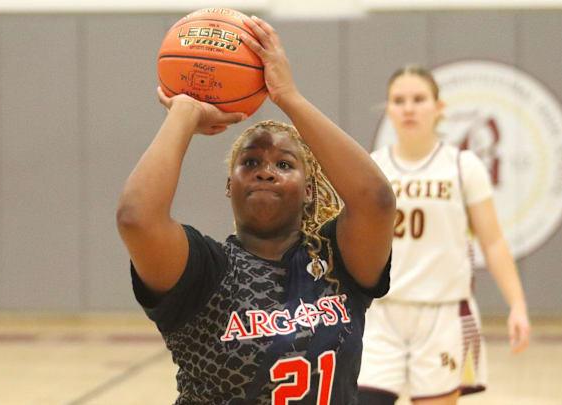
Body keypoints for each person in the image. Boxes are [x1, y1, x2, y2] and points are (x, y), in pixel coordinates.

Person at [116, 14, 396, 405]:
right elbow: (137, 218)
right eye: (250, 163)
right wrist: (184, 113)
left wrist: (290, 98)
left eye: (284, 164)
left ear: (309, 188)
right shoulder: (204, 270)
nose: (266, 172)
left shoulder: (338, 262)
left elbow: (377, 200)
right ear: (230, 185)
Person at [357, 65, 531, 405]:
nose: (409, 108)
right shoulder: (372, 167)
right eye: (399, 100)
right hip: (381, 313)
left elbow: (492, 241)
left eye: (419, 99)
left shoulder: (463, 166)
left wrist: (518, 305)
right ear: (388, 109)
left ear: (439, 108)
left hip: (444, 314)